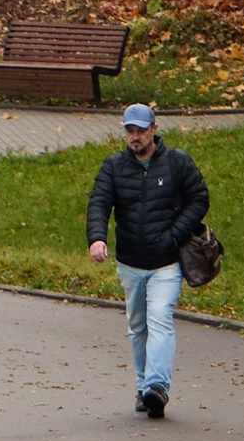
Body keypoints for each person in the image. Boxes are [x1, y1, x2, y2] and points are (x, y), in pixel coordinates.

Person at [85, 99, 209, 419]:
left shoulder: (177, 163)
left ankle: (157, 387)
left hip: (166, 262)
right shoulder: (113, 166)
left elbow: (199, 199)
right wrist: (97, 238)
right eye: (130, 130)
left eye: (141, 129)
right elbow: (99, 203)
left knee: (160, 317)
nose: (135, 136)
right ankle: (143, 387)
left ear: (154, 129)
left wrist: (174, 235)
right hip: (130, 262)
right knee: (138, 326)